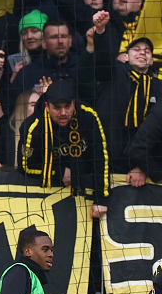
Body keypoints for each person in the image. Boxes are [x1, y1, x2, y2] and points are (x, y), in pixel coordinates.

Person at [18, 79, 110, 217]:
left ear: (74, 103)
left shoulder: (89, 116)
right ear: (47, 106)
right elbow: (25, 166)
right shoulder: (32, 127)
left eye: (67, 107)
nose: (63, 113)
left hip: (86, 187)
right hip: (47, 195)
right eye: (57, 108)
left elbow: (100, 157)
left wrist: (101, 198)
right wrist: (58, 172)